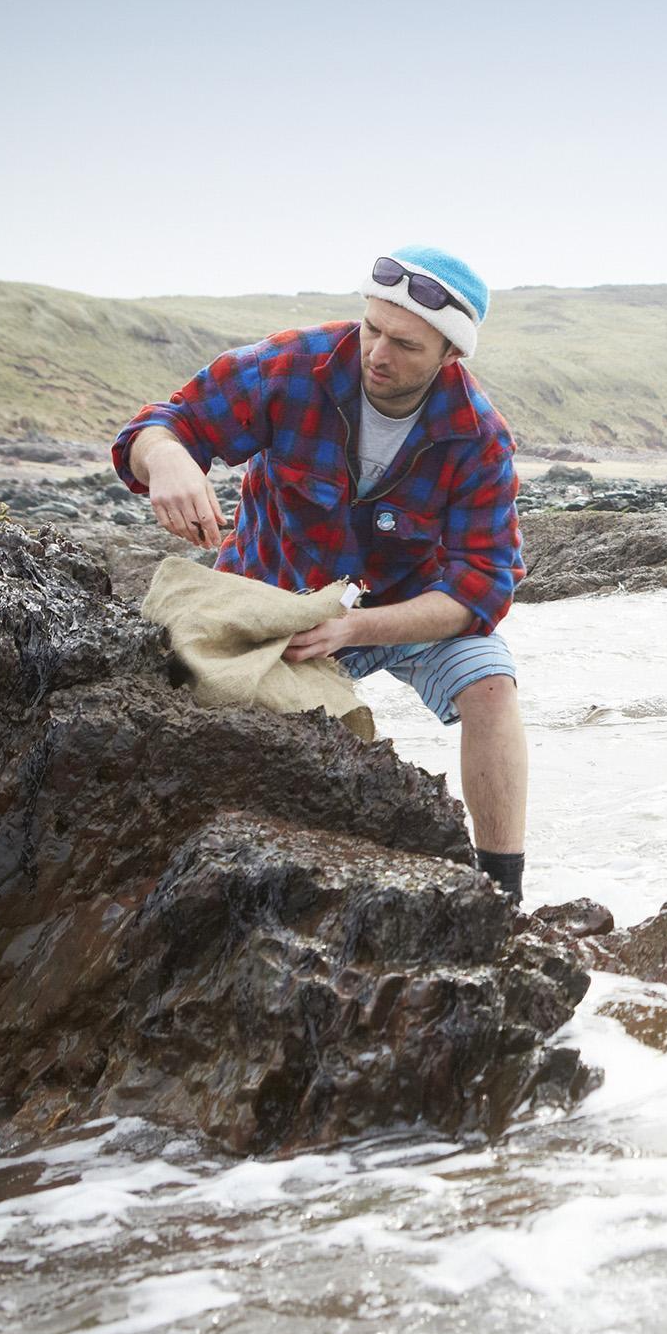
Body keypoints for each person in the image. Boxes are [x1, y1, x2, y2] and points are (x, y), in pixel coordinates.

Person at [113, 245, 529, 900]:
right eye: (372, 329)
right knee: (236, 723)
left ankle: (503, 891)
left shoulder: (478, 437)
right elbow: (164, 423)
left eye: (406, 345)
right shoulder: (292, 366)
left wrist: (355, 629)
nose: (378, 354)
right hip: (278, 600)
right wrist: (166, 460)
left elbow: (481, 587)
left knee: (492, 688)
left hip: (405, 610)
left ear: (451, 354)